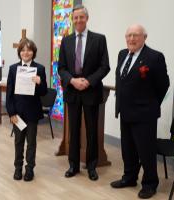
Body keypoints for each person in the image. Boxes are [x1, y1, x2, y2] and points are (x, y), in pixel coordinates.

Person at [111, 24, 170, 199]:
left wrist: (151, 103)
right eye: (128, 35)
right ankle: (129, 177)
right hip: (125, 112)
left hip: (145, 114)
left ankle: (150, 183)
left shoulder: (154, 57)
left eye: (136, 35)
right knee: (127, 149)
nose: (131, 39)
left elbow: (163, 85)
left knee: (146, 151)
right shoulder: (122, 54)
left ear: (145, 37)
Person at [58, 4, 110, 181]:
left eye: (81, 17)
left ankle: (91, 165)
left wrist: (88, 81)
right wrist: (72, 80)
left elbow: (105, 66)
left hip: (91, 90)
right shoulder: (66, 41)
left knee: (91, 130)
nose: (78, 20)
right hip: (72, 90)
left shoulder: (99, 39)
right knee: (73, 129)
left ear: (87, 18)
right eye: (75, 18)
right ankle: (73, 165)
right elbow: (62, 67)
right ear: (72, 21)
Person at [6, 38, 47, 181]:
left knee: (31, 142)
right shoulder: (13, 69)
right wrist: (11, 113)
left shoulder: (40, 69)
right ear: (19, 52)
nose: (26, 52)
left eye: (29, 50)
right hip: (18, 113)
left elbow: (43, 92)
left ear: (33, 52)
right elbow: (9, 94)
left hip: (32, 113)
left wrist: (40, 82)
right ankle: (18, 168)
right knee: (18, 141)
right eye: (23, 50)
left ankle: (29, 169)